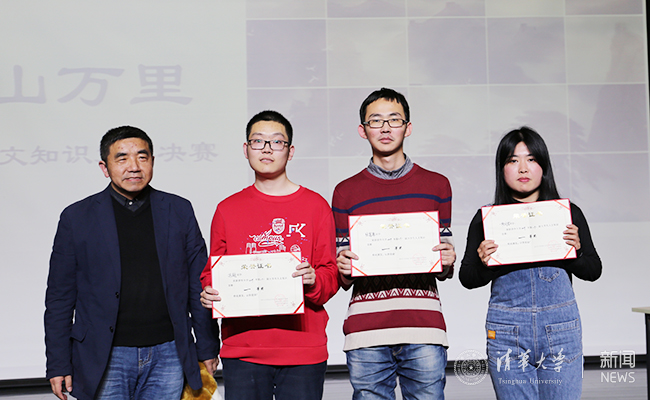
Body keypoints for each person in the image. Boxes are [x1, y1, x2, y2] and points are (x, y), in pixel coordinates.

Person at [44, 126, 219, 400]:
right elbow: (59, 297)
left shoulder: (178, 210)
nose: (134, 166)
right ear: (105, 167)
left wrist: (207, 347)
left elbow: (199, 284)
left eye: (142, 157)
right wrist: (58, 362)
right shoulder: (76, 217)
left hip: (169, 353)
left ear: (152, 162)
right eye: (122, 158)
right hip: (105, 355)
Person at [199, 110, 339, 400]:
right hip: (244, 348)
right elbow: (214, 271)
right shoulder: (227, 209)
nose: (266, 149)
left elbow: (330, 274)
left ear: (290, 151)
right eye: (258, 141)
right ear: (246, 149)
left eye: (276, 142)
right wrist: (210, 290)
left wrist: (314, 279)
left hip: (302, 349)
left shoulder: (316, 206)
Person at [459, 127, 602, 400]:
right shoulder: (487, 219)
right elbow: (467, 278)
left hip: (560, 329)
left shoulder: (567, 213)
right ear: (501, 168)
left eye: (531, 159)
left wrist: (575, 252)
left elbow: (594, 270)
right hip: (506, 331)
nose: (523, 168)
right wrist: (486, 262)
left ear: (543, 166)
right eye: (513, 160)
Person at [332, 87, 456, 400]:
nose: (385, 128)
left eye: (394, 120)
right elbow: (344, 274)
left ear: (408, 127)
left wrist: (447, 259)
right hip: (366, 331)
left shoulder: (437, 185)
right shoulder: (346, 192)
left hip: (423, 326)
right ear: (363, 130)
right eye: (376, 121)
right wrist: (342, 266)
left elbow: (443, 265)